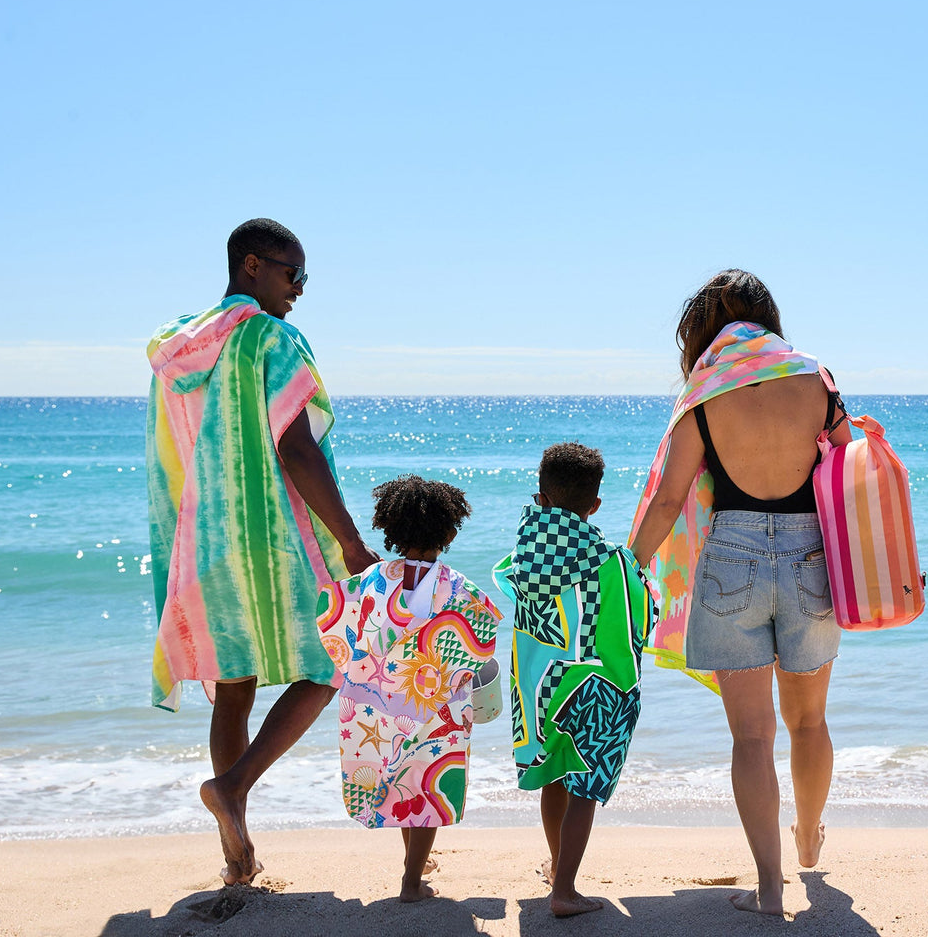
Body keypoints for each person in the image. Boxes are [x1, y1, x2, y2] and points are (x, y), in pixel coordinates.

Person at [146, 217, 378, 885]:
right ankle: (235, 786)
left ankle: (236, 852)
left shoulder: (182, 352)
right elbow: (296, 447)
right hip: (272, 541)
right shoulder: (272, 339)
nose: (299, 290)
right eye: (292, 274)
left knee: (234, 689)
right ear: (253, 265)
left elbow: (174, 458)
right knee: (335, 663)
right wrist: (351, 542)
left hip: (205, 544)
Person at [629, 269, 852, 918]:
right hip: (812, 560)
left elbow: (671, 497)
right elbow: (852, 471)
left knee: (751, 739)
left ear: (704, 329)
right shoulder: (816, 378)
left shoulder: (707, 388)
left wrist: (630, 567)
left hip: (732, 557)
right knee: (808, 720)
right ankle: (809, 835)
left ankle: (771, 885)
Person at [316, 475, 502, 903]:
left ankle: (413, 868)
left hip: (377, 708)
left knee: (399, 783)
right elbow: (482, 637)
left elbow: (332, 614)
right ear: (451, 532)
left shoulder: (372, 579)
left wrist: (364, 669)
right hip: (436, 709)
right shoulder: (459, 588)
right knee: (427, 789)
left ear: (389, 529)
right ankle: (412, 881)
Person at [493, 443, 655, 918]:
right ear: (595, 505)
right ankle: (564, 889)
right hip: (595, 687)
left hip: (542, 689)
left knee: (554, 776)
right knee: (584, 786)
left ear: (540, 495)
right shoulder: (612, 560)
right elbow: (638, 620)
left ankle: (558, 867)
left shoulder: (523, 558)